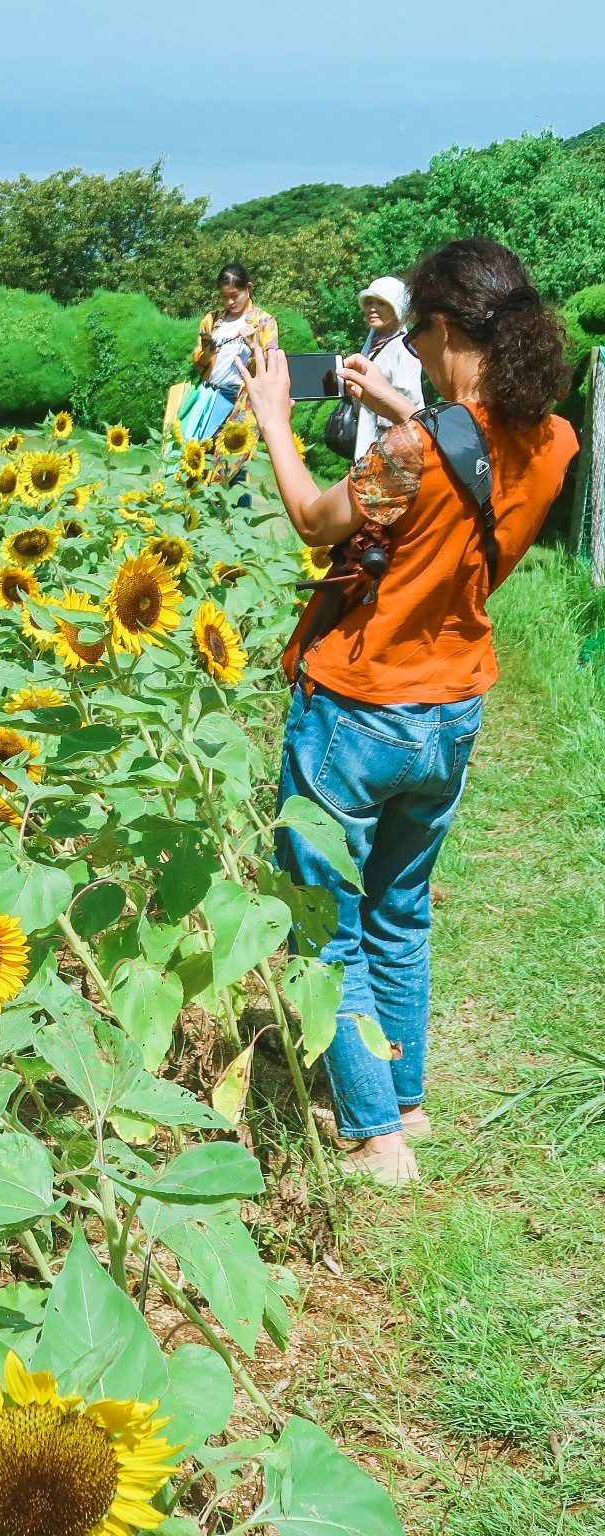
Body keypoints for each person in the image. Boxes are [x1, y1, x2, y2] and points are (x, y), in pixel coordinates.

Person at [239, 238, 576, 1185]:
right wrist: (407, 415)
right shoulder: (556, 441)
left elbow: (316, 519)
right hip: (453, 705)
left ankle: (372, 1134)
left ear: (435, 327)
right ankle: (409, 1101)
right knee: (400, 910)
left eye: (421, 340)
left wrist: (273, 416)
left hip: (359, 704)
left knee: (324, 918)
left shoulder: (409, 452)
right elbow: (471, 479)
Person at [180, 262, 279, 444]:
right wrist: (207, 354)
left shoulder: (264, 322)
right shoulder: (211, 320)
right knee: (197, 457)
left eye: (235, 295)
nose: (230, 302)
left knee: (233, 460)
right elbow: (198, 364)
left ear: (248, 288)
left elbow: (272, 368)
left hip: (241, 399)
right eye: (225, 297)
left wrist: (254, 347)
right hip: (209, 397)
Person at [348, 275, 424, 459]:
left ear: (396, 308)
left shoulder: (404, 347)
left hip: (391, 445)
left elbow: (408, 400)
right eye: (369, 302)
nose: (372, 309)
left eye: (381, 303)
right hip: (369, 440)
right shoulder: (373, 340)